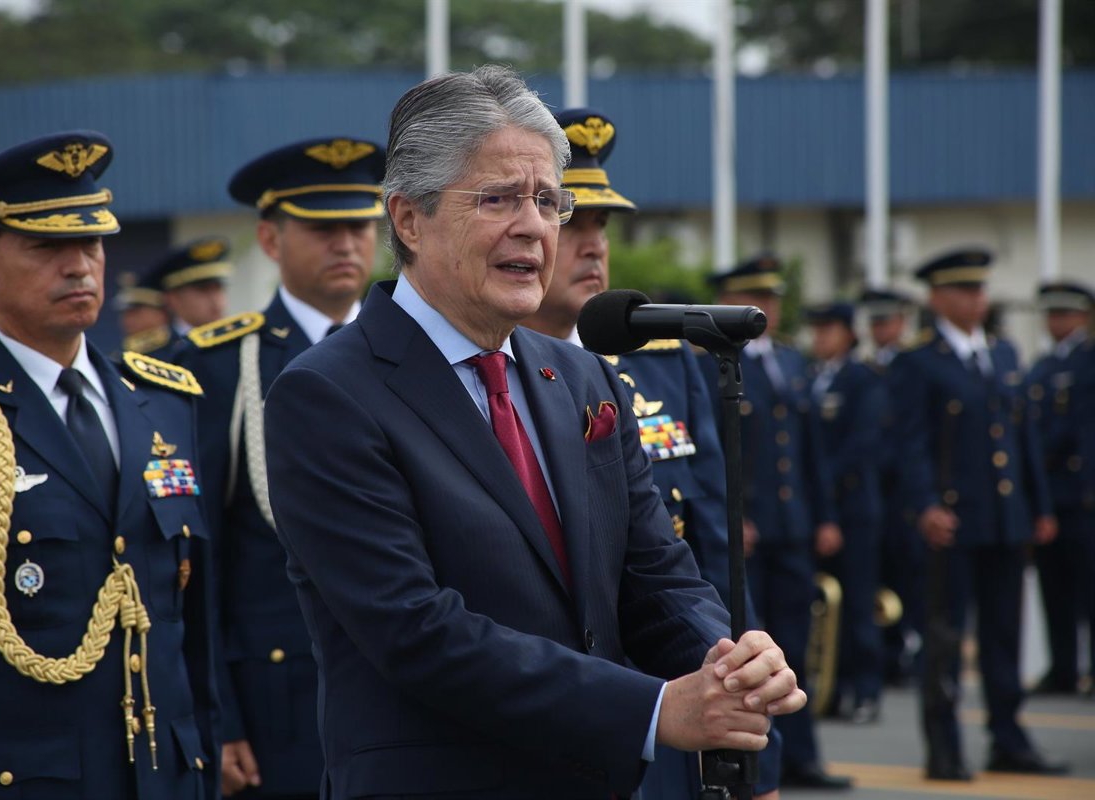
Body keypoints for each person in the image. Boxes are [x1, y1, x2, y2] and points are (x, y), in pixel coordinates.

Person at [262, 65, 805, 799]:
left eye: (548, 200)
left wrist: (729, 661)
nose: (533, 225)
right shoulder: (327, 394)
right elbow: (417, 631)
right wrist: (651, 710)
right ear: (409, 219)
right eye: (498, 198)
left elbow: (655, 574)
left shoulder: (582, 378)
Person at [0, 131, 219, 799]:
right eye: (46, 247)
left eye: (92, 243)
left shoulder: (164, 403)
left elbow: (190, 628)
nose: (80, 267)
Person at [522, 106, 783, 800]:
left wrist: (757, 740)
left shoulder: (666, 365)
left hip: (677, 716)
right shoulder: (481, 385)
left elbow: (715, 563)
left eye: (603, 226)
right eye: (572, 219)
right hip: (545, 718)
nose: (593, 245)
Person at [177, 136, 385, 799]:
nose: (346, 244)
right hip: (277, 707)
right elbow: (199, 562)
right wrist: (219, 715)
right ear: (270, 239)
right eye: (323, 229)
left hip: (405, 690)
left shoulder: (409, 352)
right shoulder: (218, 368)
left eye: (359, 226)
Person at [889, 248, 1064, 780]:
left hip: (1004, 518)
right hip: (953, 521)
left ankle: (1008, 738)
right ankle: (944, 746)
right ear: (939, 298)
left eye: (981, 289)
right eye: (965, 290)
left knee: (1003, 635)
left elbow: (1022, 436)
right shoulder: (920, 361)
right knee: (944, 639)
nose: (977, 299)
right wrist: (924, 505)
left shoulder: (1004, 353)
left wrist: (1037, 505)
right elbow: (909, 443)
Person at [697, 256, 849, 790]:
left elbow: (810, 452)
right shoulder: (711, 362)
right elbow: (711, 451)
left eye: (774, 299)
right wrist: (732, 516)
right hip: (750, 530)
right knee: (751, 647)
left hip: (793, 525)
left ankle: (802, 755)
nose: (769, 308)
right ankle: (757, 760)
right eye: (757, 298)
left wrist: (824, 516)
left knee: (796, 644)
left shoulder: (790, 360)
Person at [804, 302, 886, 723]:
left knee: (856, 602)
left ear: (849, 334)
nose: (820, 337)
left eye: (829, 329)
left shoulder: (862, 378)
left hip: (852, 508)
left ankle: (866, 690)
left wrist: (819, 482)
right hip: (819, 509)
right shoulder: (810, 377)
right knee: (822, 606)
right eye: (816, 329)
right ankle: (832, 690)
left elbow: (861, 444)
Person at [1024, 280, 1095, 696]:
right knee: (1055, 587)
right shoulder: (1042, 366)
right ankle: (1063, 667)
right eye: (1051, 314)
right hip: (1051, 494)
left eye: (1064, 313)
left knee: (1089, 586)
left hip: (1083, 492)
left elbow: (1077, 430)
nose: (1056, 322)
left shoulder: (1088, 361)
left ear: (1082, 317)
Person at [859, 287, 924, 686]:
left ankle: (909, 650)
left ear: (901, 323)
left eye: (888, 321)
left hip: (905, 492)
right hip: (875, 489)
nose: (881, 329)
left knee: (912, 577)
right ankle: (889, 650)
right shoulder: (866, 370)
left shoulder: (912, 363)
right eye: (876, 322)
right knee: (879, 579)